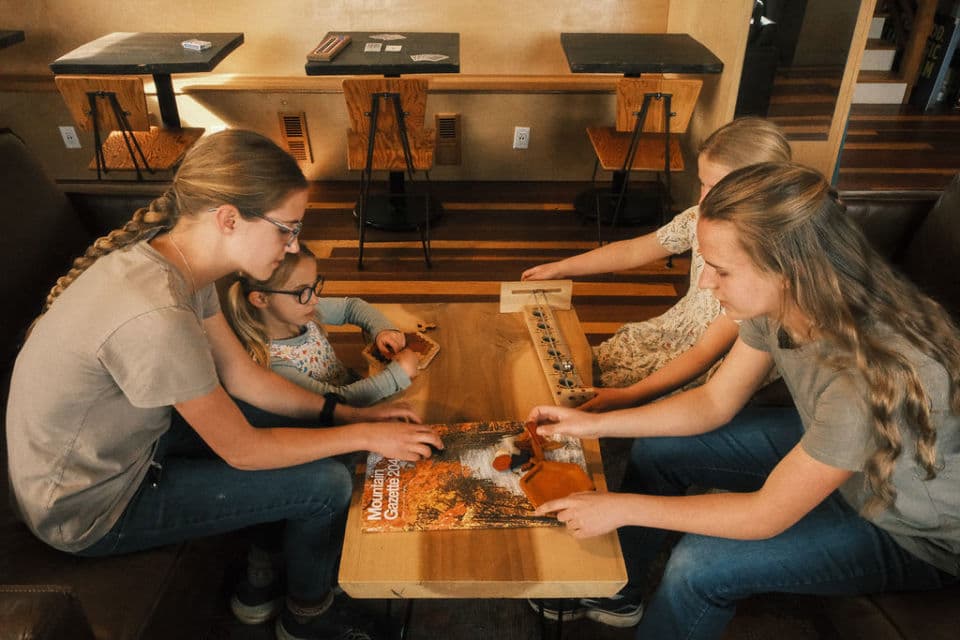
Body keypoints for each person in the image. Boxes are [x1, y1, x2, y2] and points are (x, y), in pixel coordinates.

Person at [5, 129, 443, 640]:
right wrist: (368, 437)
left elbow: (245, 378)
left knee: (295, 425)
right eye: (286, 229)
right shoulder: (157, 314)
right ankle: (309, 617)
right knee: (327, 485)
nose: (294, 245)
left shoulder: (178, 265)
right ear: (229, 219)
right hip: (89, 507)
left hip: (121, 447)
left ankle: (265, 567)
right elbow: (243, 451)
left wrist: (354, 416)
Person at [526, 162, 960, 638]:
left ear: (789, 268)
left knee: (701, 566)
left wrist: (619, 506)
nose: (707, 284)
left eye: (722, 270)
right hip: (849, 457)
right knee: (661, 450)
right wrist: (593, 424)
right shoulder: (776, 301)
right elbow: (713, 402)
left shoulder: (869, 379)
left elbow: (765, 514)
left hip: (911, 527)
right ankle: (618, 590)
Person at [522, 118, 791, 411]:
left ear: (759, 191)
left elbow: (705, 352)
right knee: (592, 371)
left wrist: (631, 396)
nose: (702, 198)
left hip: (718, 360)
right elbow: (634, 250)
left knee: (622, 404)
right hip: (679, 333)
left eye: (714, 187)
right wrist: (561, 268)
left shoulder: (764, 266)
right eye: (702, 183)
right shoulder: (701, 215)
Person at [223, 245, 420, 406]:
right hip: (340, 424)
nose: (315, 299)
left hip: (360, 392)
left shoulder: (299, 309)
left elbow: (351, 307)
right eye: (302, 291)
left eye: (314, 285)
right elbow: (337, 401)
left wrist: (383, 331)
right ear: (261, 298)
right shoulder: (273, 364)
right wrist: (397, 376)